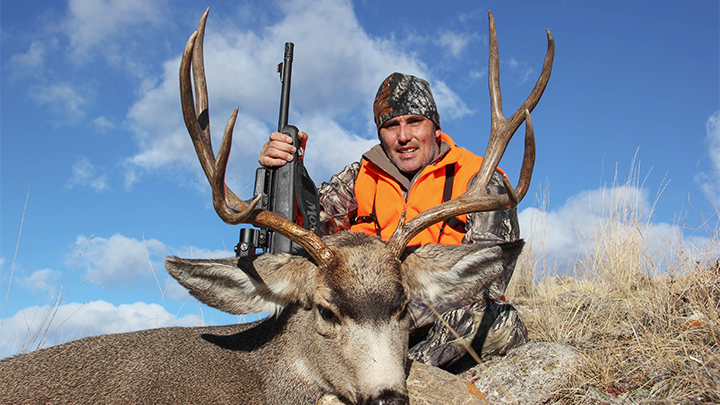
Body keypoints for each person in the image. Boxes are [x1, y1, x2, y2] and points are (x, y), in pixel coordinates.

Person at [259, 72, 527, 372]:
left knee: (498, 323)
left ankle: (401, 376)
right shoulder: (360, 176)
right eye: (390, 126)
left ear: (435, 127)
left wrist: (397, 313)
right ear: (380, 133)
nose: (403, 137)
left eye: (414, 122)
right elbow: (308, 230)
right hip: (363, 324)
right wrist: (291, 176)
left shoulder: (479, 179)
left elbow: (489, 275)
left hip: (437, 321)